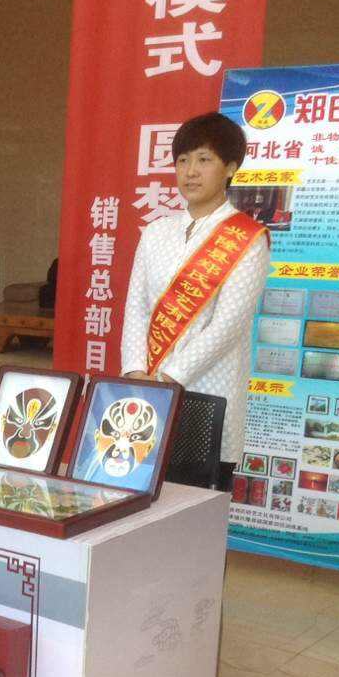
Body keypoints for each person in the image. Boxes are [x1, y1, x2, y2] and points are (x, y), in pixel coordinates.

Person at [120, 112, 270, 491]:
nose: (190, 171)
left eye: (204, 160)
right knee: (139, 493)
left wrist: (169, 377)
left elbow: (227, 325)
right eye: (183, 160)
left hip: (208, 391)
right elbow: (136, 307)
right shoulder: (156, 231)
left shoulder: (248, 238)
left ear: (230, 167)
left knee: (196, 503)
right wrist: (136, 371)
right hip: (147, 390)